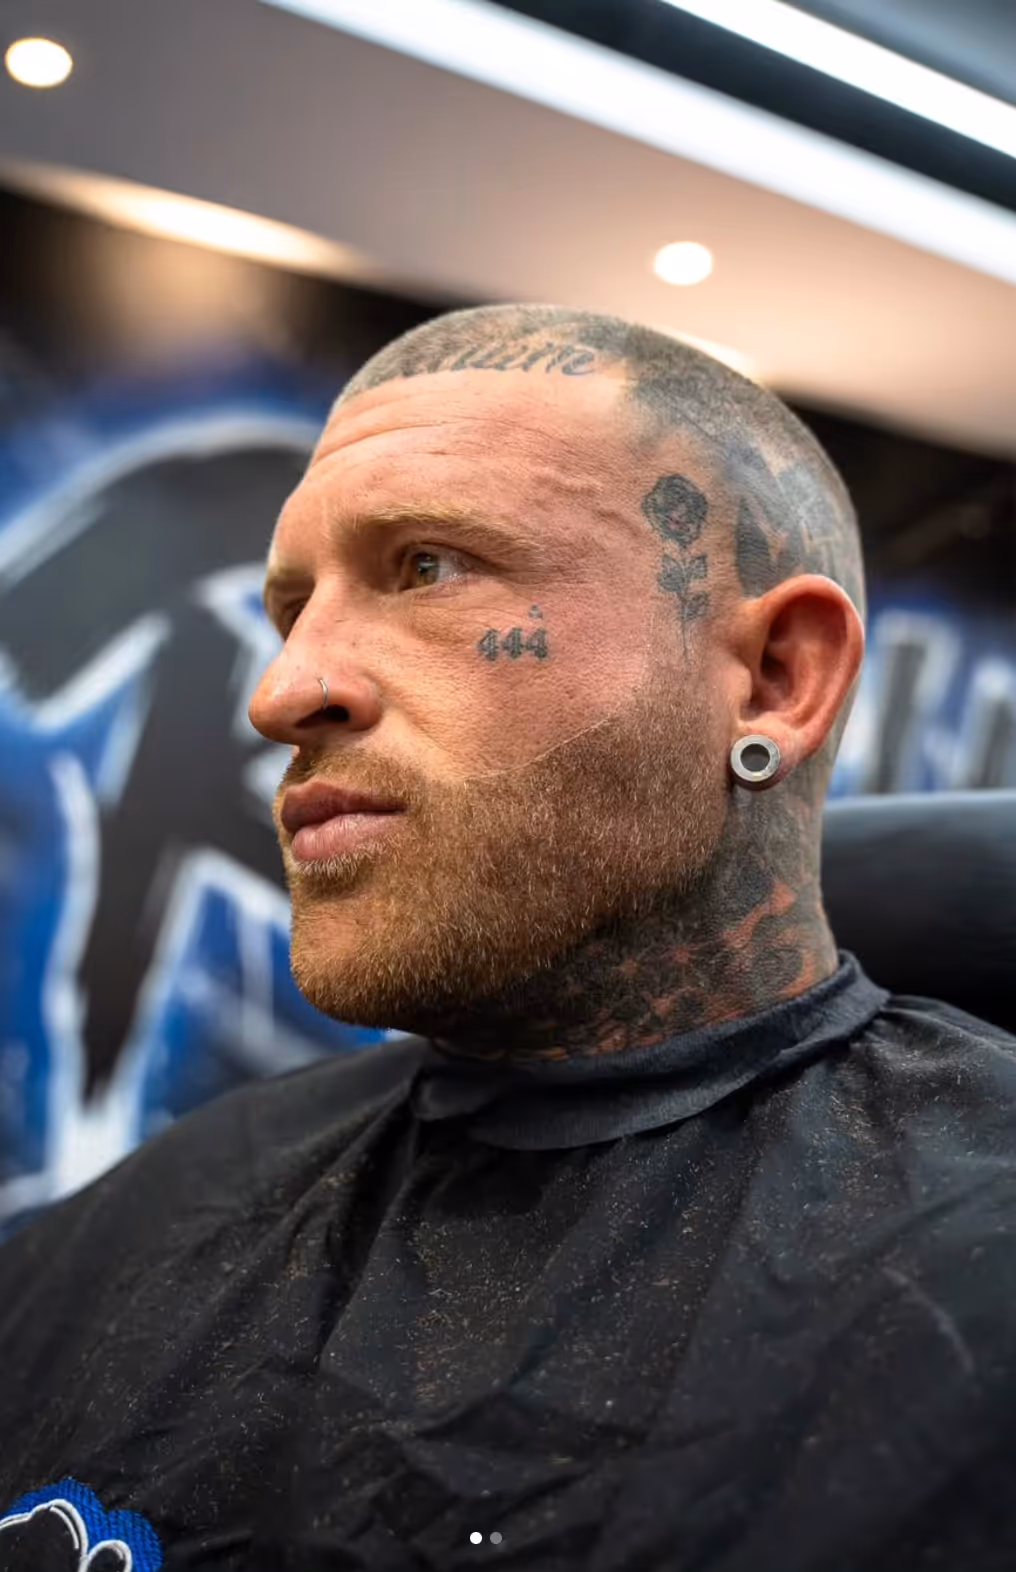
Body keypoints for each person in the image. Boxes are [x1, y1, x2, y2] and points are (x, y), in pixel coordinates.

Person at [2, 304, 1016, 1572]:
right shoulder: (144, 1221)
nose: (279, 694)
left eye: (427, 567)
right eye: (289, 609)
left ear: (771, 678)